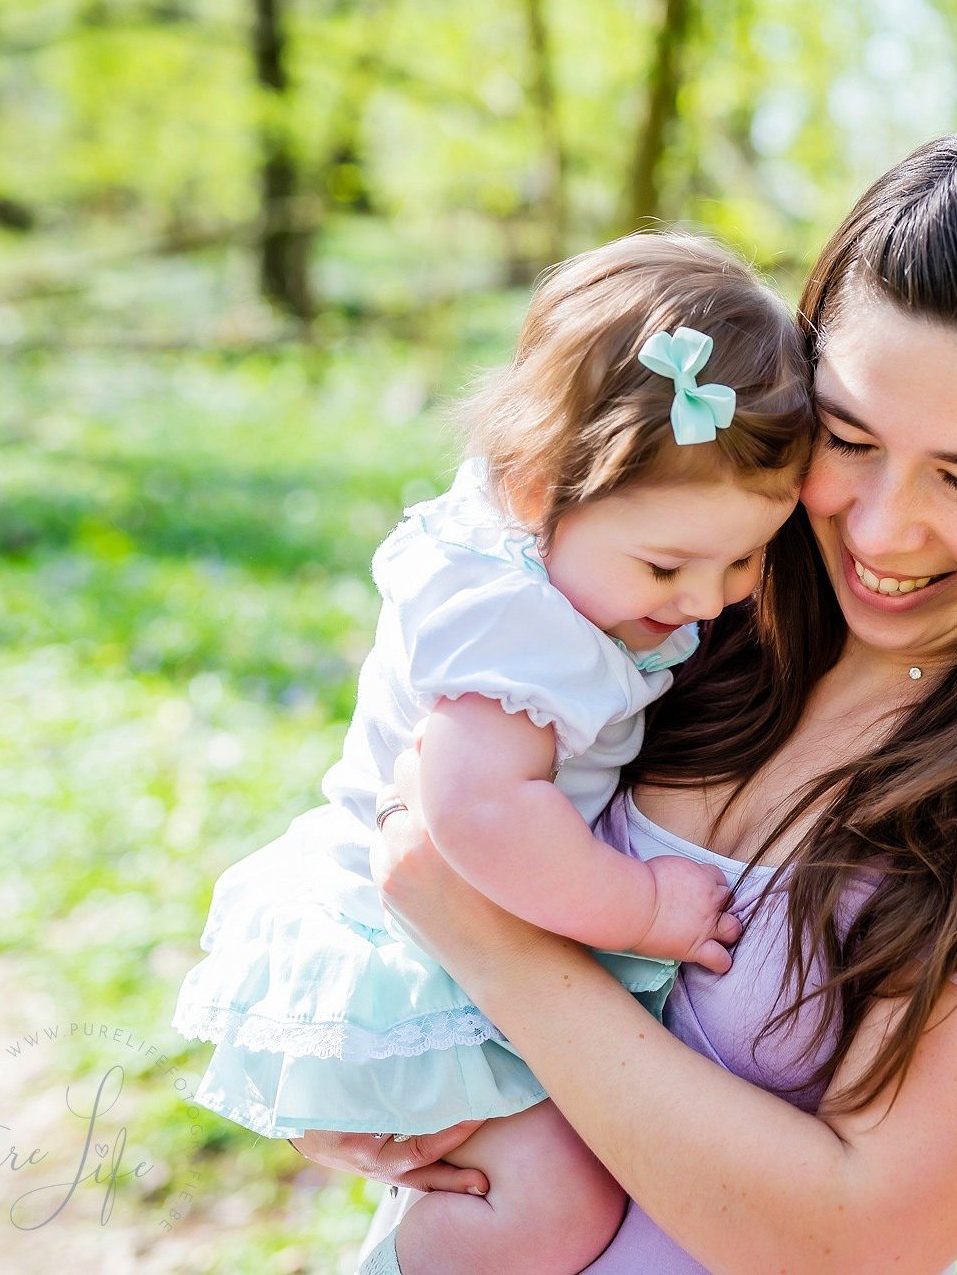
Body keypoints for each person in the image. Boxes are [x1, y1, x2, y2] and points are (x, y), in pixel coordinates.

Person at [306, 117, 957, 1273]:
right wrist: (348, 1051)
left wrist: (484, 936)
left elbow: (850, 1240)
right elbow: (414, 774)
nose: (884, 528)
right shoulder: (696, 617)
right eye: (847, 439)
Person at [171, 232, 815, 1272]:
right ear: (532, 490)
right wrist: (641, 907)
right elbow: (470, 812)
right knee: (549, 1202)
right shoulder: (520, 632)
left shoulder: (562, 568)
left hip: (455, 930)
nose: (704, 601)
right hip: (408, 950)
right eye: (666, 565)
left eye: (746, 557)